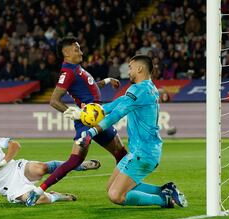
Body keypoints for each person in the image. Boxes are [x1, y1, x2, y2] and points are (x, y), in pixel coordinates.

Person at [26, 36, 128, 206]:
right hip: (88, 120)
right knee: (76, 160)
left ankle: (123, 188)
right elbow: (54, 100)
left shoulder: (77, 69)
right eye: (76, 49)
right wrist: (77, 114)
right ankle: (39, 190)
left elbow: (91, 87)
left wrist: (108, 81)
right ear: (66, 52)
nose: (81, 52)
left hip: (97, 118)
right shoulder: (67, 73)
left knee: (121, 154)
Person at [77, 55, 187, 208]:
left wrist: (91, 132)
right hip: (140, 151)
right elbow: (119, 103)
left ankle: (164, 200)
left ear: (140, 68)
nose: (128, 71)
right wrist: (94, 110)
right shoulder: (148, 88)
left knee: (116, 195)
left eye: (130, 67)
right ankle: (164, 190)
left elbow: (117, 114)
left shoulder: (138, 90)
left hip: (143, 153)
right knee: (111, 187)